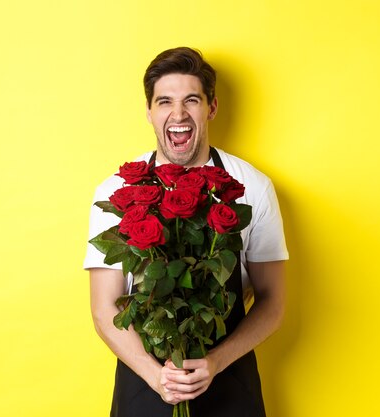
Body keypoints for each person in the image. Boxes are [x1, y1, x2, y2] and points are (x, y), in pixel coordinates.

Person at [84, 47, 289, 417]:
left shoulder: (253, 188)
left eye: (191, 100)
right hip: (143, 378)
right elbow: (104, 308)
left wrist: (216, 361)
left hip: (229, 377)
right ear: (150, 112)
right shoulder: (114, 193)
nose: (178, 114)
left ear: (211, 107)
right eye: (165, 101)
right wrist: (157, 376)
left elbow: (273, 300)